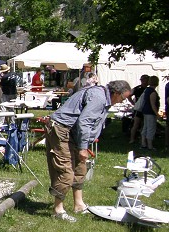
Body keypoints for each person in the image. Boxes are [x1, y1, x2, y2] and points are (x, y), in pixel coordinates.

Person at [45, 79, 132, 222]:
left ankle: (78, 205)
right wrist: (83, 147)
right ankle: (57, 210)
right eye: (123, 98)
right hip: (61, 130)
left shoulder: (103, 97)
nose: (122, 101)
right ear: (116, 93)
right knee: (65, 170)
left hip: (72, 132)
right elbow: (84, 122)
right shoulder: (99, 98)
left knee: (80, 168)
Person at [140, 75, 160, 151]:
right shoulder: (153, 92)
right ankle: (150, 146)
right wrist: (157, 114)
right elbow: (153, 104)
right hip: (150, 113)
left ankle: (143, 143)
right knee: (151, 128)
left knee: (145, 127)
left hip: (145, 111)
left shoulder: (146, 90)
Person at [129, 74, 149, 144]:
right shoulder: (137, 88)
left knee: (144, 125)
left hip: (146, 108)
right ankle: (132, 139)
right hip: (138, 109)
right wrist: (133, 103)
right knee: (136, 124)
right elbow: (129, 95)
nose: (145, 82)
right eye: (143, 80)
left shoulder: (149, 89)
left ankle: (142, 139)